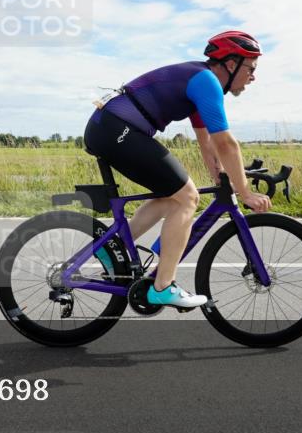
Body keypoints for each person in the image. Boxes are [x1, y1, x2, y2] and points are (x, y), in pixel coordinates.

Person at [83, 30, 272, 309]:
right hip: (117, 130)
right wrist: (244, 191)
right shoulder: (206, 81)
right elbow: (226, 143)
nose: (253, 76)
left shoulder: (201, 83)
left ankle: (113, 250)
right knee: (188, 197)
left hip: (111, 128)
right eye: (251, 67)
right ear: (231, 64)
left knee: (172, 194)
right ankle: (163, 286)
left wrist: (221, 178)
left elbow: (207, 142)